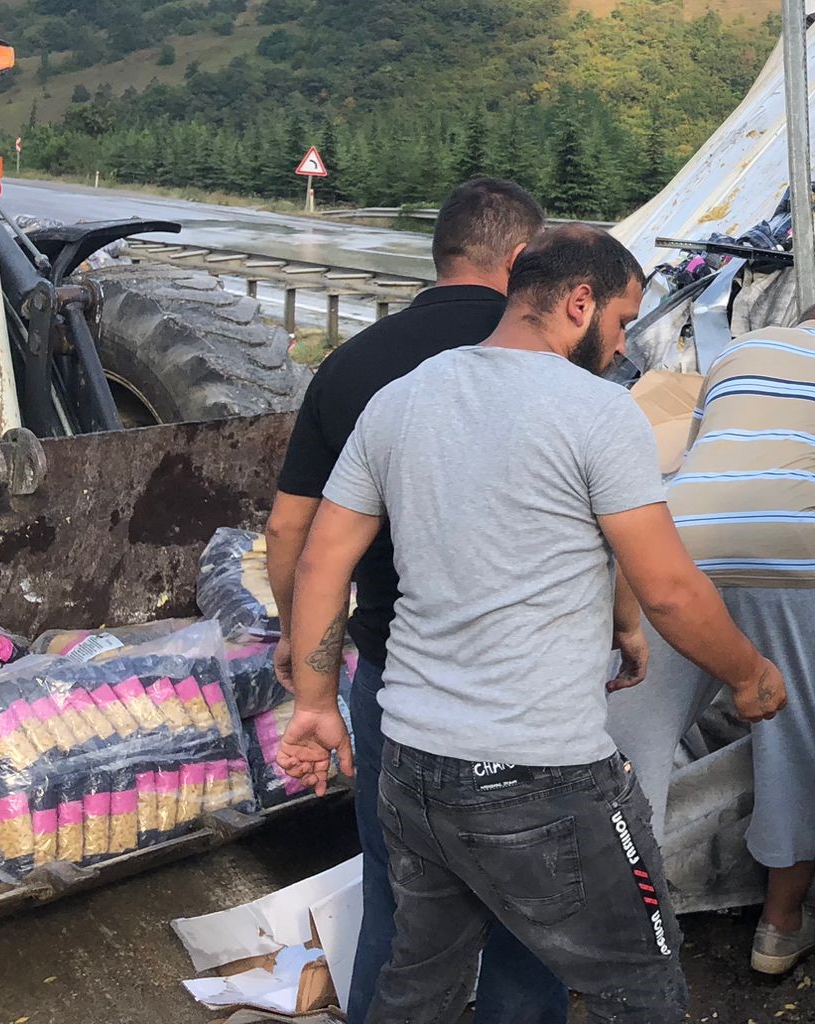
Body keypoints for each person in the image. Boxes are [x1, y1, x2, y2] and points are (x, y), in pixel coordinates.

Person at [276, 226, 788, 1024]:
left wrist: (313, 705)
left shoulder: (402, 398)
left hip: (413, 765)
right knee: (642, 983)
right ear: (579, 302)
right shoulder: (598, 413)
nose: (620, 347)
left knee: (420, 983)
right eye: (621, 323)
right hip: (541, 772)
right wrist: (752, 676)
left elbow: (318, 563)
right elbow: (673, 590)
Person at [265, 176, 561, 1024]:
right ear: (518, 260)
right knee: (528, 906)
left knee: (398, 897)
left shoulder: (354, 364)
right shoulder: (555, 353)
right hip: (525, 681)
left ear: (441, 254)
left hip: (394, 672)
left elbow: (292, 531)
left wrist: (302, 637)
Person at [609, 297, 815, 977]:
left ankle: (620, 920)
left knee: (633, 740)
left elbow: (708, 453)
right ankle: (779, 928)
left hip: (676, 554)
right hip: (792, 564)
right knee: (794, 744)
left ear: (800, 323)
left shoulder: (736, 355)